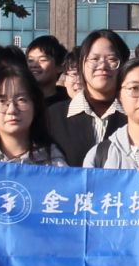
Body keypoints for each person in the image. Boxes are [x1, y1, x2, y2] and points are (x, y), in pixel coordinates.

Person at [45, 29, 127, 166]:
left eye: (112, 59)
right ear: (82, 65)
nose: (102, 65)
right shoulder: (52, 116)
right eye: (94, 59)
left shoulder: (136, 117)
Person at [25, 35, 70, 105]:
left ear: (59, 67)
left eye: (42, 60)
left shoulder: (69, 102)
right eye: (30, 60)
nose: (34, 65)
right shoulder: (22, 99)